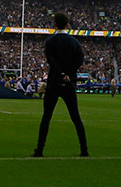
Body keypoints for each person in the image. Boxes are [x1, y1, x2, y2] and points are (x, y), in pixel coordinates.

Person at [32, 13, 88, 158]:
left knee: (47, 117)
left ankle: (40, 149)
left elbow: (51, 61)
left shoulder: (50, 41)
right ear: (67, 24)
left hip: (54, 82)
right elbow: (80, 59)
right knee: (75, 117)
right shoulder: (74, 42)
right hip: (69, 83)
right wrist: (69, 74)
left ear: (55, 24)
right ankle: (84, 149)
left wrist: (61, 73)